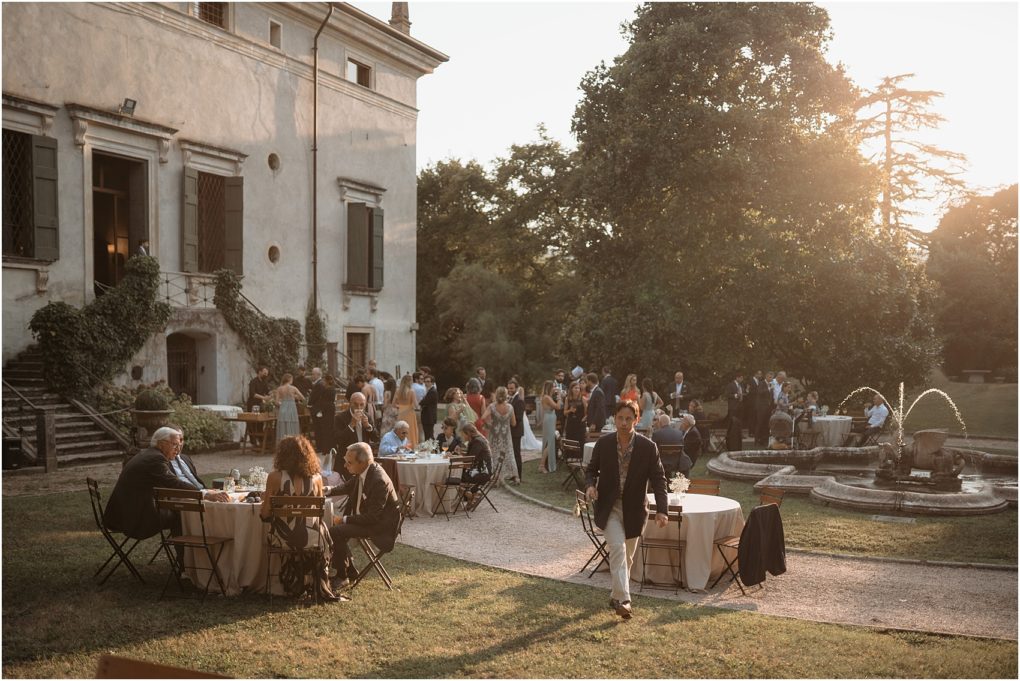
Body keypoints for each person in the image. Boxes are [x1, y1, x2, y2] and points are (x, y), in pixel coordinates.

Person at [585, 400, 668, 620]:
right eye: (620, 418)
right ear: (614, 419)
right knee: (618, 550)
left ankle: (615, 595)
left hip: (635, 511)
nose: (623, 423)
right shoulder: (603, 444)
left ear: (636, 420)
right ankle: (625, 601)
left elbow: (659, 480)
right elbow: (590, 470)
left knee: (627, 559)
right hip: (609, 507)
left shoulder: (648, 447)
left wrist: (662, 509)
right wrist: (591, 485)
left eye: (628, 419)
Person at [103, 427, 228, 567]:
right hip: (133, 518)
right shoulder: (155, 459)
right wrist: (205, 494)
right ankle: (185, 564)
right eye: (174, 444)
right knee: (180, 515)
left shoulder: (148, 454)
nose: (178, 448)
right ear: (161, 444)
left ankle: (187, 562)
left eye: (179, 444)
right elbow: (173, 483)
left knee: (178, 510)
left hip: (124, 512)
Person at [259, 435, 339, 600]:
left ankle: (292, 580)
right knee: (319, 529)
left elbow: (265, 514)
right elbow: (320, 512)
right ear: (308, 455)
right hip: (312, 539)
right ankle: (309, 580)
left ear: (282, 455)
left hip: (283, 539)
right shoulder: (317, 479)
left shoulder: (274, 478)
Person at [326, 443, 400, 590]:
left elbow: (372, 517)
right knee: (335, 527)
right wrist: (325, 489)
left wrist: (343, 519)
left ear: (363, 462)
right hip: (371, 520)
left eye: (349, 462)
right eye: (345, 461)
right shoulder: (366, 471)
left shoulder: (378, 480)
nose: (345, 466)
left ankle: (343, 576)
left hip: (380, 527)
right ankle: (350, 571)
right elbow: (347, 486)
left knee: (335, 531)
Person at [483, 386, 519, 484]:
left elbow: (483, 417)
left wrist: (489, 425)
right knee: (509, 454)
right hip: (506, 435)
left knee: (495, 455)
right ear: (506, 395)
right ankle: (515, 477)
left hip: (494, 435)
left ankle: (496, 478)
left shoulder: (492, 407)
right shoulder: (510, 407)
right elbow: (514, 423)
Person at [332, 392, 376, 471]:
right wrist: (351, 425)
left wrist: (368, 426)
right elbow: (337, 440)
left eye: (362, 405)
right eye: (355, 404)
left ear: (365, 404)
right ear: (350, 404)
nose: (359, 408)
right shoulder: (340, 418)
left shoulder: (367, 417)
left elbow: (376, 438)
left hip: (363, 460)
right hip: (346, 461)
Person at [458, 423, 493, 503]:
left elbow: (469, 459)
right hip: (481, 469)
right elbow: (471, 457)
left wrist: (456, 457)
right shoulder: (476, 440)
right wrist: (460, 453)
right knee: (459, 474)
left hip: (483, 472)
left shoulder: (477, 442)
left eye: (463, 435)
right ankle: (470, 494)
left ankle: (468, 494)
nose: (463, 437)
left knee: (456, 477)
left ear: (468, 433)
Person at [308, 370, 336, 455]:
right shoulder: (332, 389)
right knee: (329, 428)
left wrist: (313, 406)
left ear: (326, 380)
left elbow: (320, 399)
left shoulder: (325, 388)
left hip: (325, 409)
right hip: (330, 409)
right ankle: (328, 447)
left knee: (324, 429)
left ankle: (325, 448)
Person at [273, 373, 305, 443]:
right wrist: (294, 397)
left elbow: (276, 402)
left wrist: (281, 404)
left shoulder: (279, 389)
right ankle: (293, 443)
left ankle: (282, 444)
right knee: (292, 424)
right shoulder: (293, 388)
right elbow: (302, 398)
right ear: (290, 379)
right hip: (292, 408)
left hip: (283, 407)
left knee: (283, 425)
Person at [539, 380, 562, 473]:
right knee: (549, 442)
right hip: (549, 419)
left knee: (550, 441)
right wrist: (559, 397)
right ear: (549, 388)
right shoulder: (547, 397)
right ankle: (541, 465)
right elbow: (558, 407)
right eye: (553, 386)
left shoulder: (547, 397)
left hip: (550, 418)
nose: (554, 388)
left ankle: (544, 464)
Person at [393, 374, 420, 449]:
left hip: (401, 412)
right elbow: (416, 405)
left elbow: (393, 404)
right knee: (410, 430)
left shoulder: (398, 391)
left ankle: (401, 446)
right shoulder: (411, 392)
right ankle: (411, 446)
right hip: (410, 412)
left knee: (400, 429)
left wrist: (401, 406)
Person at [507, 378, 526, 480]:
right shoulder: (509, 399)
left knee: (516, 453)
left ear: (516, 388)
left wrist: (507, 421)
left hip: (516, 431)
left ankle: (518, 475)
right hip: (510, 431)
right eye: (509, 388)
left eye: (512, 388)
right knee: (511, 454)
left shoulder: (519, 401)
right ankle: (512, 474)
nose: (510, 390)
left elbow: (518, 418)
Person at [562, 380, 587, 445]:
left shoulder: (583, 399)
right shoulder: (568, 399)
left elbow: (587, 413)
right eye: (575, 388)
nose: (577, 390)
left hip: (580, 424)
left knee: (580, 442)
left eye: (578, 388)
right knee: (570, 442)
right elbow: (564, 412)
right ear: (571, 389)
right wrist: (570, 410)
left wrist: (583, 419)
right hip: (571, 424)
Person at [725, 372, 744, 451]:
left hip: (739, 407)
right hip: (733, 407)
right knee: (732, 422)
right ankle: (731, 436)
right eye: (741, 378)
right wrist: (736, 395)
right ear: (737, 377)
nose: (742, 380)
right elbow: (727, 394)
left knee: (738, 422)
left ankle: (738, 435)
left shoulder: (741, 386)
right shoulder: (731, 385)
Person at [420, 374, 439, 441]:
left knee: (429, 435)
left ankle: (431, 449)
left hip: (429, 417)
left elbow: (423, 402)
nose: (426, 383)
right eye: (425, 381)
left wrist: (422, 401)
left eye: (428, 381)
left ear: (432, 382)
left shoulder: (432, 391)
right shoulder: (429, 391)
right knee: (427, 435)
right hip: (427, 416)